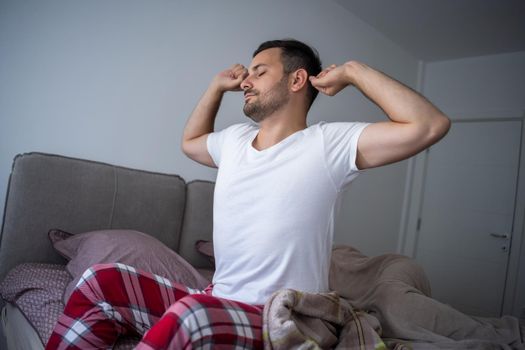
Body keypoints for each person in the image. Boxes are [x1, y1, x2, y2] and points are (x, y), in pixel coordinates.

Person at [46, 39, 450, 349]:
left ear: (296, 80)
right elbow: (190, 142)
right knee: (100, 281)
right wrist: (215, 88)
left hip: (280, 317)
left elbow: (429, 125)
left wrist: (355, 71)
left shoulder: (330, 144)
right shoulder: (235, 141)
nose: (246, 81)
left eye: (259, 71)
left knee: (193, 315)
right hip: (217, 298)